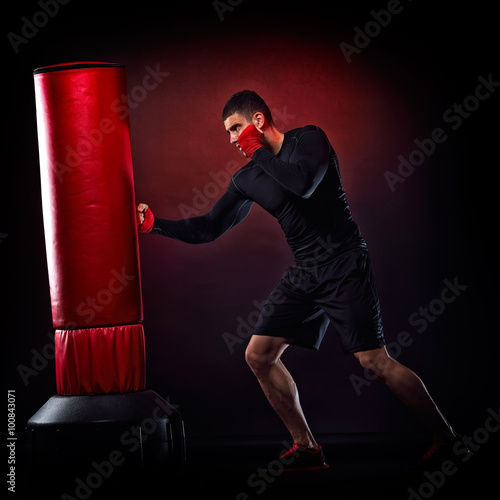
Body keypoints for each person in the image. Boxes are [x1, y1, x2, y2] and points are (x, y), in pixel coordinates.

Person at [137, 90, 464, 471]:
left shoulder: (309, 140)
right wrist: (155, 225)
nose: (231, 140)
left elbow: (303, 183)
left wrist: (258, 149)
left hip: (344, 262)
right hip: (307, 271)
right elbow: (209, 227)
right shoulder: (247, 179)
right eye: (228, 133)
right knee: (258, 355)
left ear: (258, 120)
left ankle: (447, 439)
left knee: (374, 361)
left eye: (236, 128)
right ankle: (307, 447)